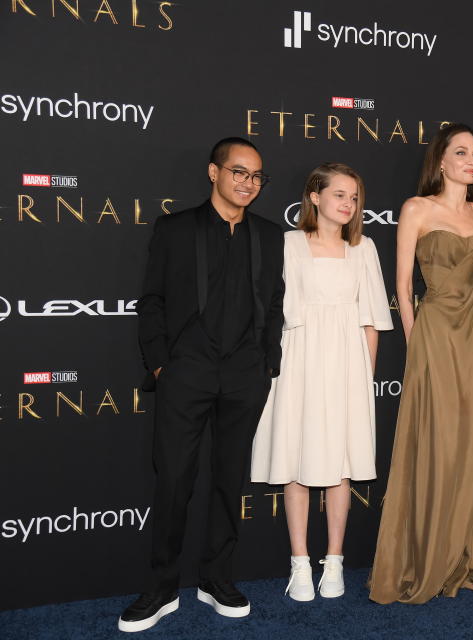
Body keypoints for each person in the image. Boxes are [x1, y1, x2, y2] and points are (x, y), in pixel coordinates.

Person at [120, 137, 284, 632]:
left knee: (228, 481)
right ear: (214, 173)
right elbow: (151, 300)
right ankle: (161, 587)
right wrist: (161, 366)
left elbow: (274, 303)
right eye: (238, 172)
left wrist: (266, 364)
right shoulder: (175, 229)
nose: (247, 183)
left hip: (244, 377)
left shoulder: (270, 235)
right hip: (185, 373)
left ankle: (216, 579)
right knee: (173, 480)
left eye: (256, 176)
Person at [368, 123, 473, 604]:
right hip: (435, 338)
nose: (471, 161)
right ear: (441, 161)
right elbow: (403, 287)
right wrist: (415, 345)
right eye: (461, 152)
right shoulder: (416, 209)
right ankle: (428, 554)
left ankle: (471, 552)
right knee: (439, 443)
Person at [250, 163, 393, 600]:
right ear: (314, 197)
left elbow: (372, 320)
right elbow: (272, 310)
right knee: (297, 459)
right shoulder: (288, 243)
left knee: (339, 465)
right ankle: (299, 563)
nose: (348, 204)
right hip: (298, 360)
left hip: (347, 364)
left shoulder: (364, 247)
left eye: (354, 197)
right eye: (339, 195)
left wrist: (363, 379)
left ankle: (334, 561)